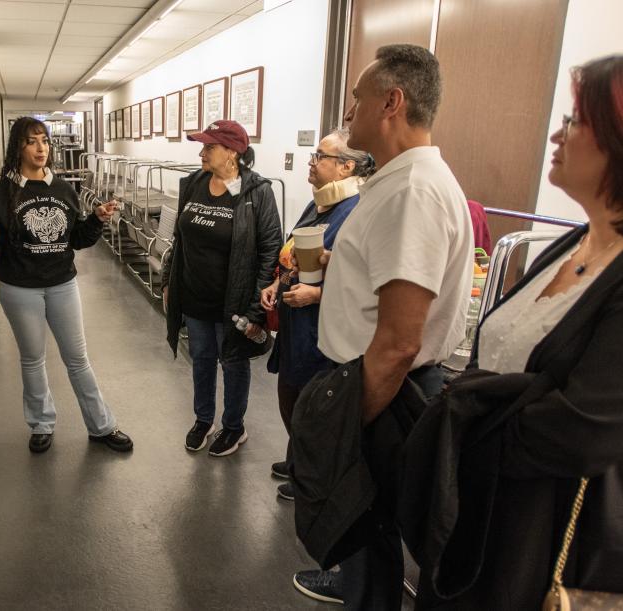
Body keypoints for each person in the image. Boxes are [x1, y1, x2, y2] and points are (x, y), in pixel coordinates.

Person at [408, 54, 623, 610]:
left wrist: (463, 435)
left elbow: (582, 429)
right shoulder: (570, 245)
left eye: (576, 120)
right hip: (484, 509)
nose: (558, 132)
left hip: (541, 538)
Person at [294, 44, 473, 608]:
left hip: (382, 388)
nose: (349, 114)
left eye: (357, 100)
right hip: (373, 382)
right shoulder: (395, 183)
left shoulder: (412, 192)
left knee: (370, 541)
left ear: (391, 102)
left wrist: (345, 423)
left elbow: (398, 342)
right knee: (367, 543)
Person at [0, 117, 132, 454]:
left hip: (62, 284)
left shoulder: (62, 189)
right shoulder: (1, 193)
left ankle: (101, 426)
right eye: (32, 141)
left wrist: (97, 220)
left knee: (78, 359)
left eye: (44, 140)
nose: (41, 147)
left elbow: (77, 240)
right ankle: (41, 424)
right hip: (19, 288)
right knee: (32, 359)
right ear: (18, 147)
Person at [261, 127, 374, 501]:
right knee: (290, 398)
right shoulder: (319, 203)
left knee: (312, 409)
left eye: (319, 157)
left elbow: (365, 281)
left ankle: (313, 477)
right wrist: (279, 283)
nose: (311, 162)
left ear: (345, 167)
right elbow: (296, 249)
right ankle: (299, 459)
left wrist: (318, 294)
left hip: (323, 326)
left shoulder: (356, 211)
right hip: (296, 320)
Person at [162, 120, 282, 457]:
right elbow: (179, 240)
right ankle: (203, 420)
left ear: (232, 152)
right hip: (195, 296)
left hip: (234, 302)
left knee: (233, 363)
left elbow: (270, 251)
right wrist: (169, 280)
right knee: (200, 359)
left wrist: (257, 310)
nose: (201, 152)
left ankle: (234, 426)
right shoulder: (195, 183)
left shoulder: (257, 192)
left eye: (209, 147)